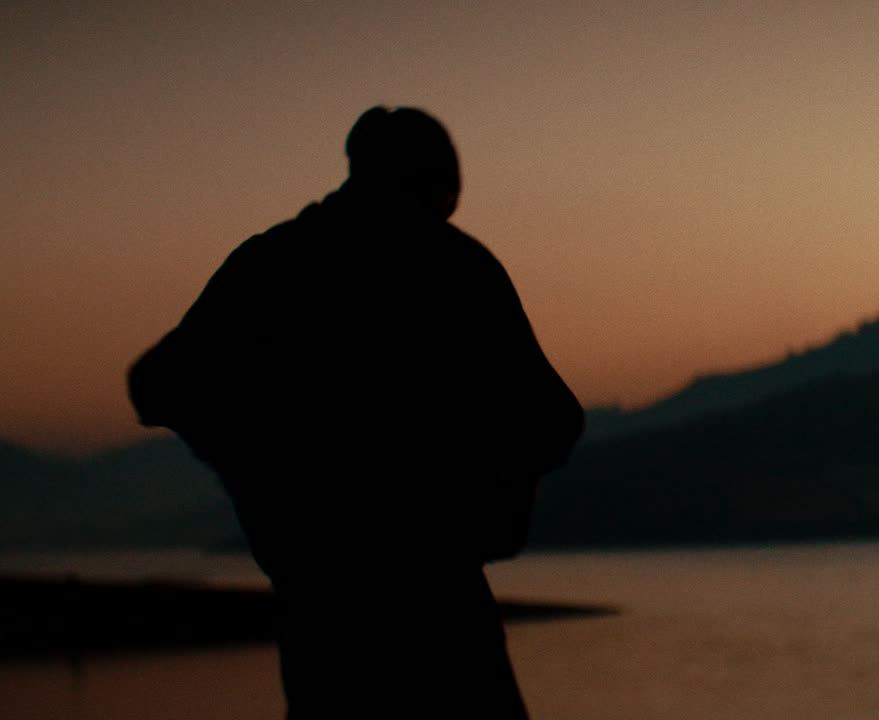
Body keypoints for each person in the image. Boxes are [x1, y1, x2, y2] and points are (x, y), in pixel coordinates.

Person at [127, 106, 584, 718]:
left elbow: (159, 386)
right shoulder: (451, 266)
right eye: (449, 190)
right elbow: (553, 421)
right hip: (436, 605)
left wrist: (258, 480)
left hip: (321, 607)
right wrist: (498, 504)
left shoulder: (270, 263)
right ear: (433, 180)